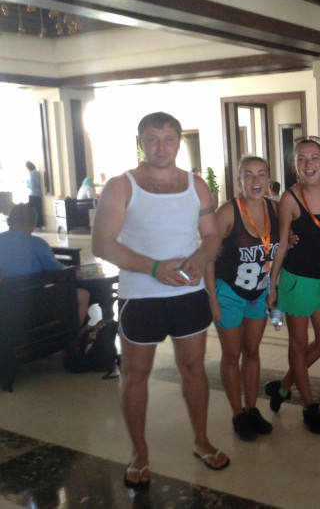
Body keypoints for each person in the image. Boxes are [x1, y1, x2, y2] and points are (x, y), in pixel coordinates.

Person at [92, 112, 229, 490]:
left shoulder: (196, 185)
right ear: (140, 142)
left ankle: (201, 441)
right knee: (135, 374)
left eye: (168, 139)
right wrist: (154, 268)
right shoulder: (122, 186)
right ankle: (139, 452)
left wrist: (200, 259)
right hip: (142, 297)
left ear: (179, 143)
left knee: (194, 369)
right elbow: (102, 244)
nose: (161, 147)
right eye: (152, 139)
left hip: (188, 295)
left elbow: (212, 236)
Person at [265, 137, 320, 434]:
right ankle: (309, 406)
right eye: (302, 159)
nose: (309, 164)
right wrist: (272, 285)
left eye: (314, 157)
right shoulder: (289, 199)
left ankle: (284, 385)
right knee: (299, 343)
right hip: (297, 279)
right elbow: (282, 244)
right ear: (295, 166)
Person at [205, 156, 278, 441]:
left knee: (252, 352)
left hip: (258, 293)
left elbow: (283, 244)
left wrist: (273, 287)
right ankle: (238, 414)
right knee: (231, 355)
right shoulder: (228, 212)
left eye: (261, 174)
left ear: (268, 179)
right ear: (239, 181)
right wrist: (212, 299)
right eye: (248, 175)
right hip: (228, 293)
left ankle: (252, 408)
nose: (255, 181)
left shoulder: (275, 210)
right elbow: (208, 256)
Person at [0, 203, 90, 325]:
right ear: (33, 223)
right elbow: (59, 271)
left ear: (9, 221)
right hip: (35, 300)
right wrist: (78, 272)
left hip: (5, 301)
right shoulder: (37, 243)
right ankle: (72, 333)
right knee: (83, 295)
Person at [25, 161, 43, 228]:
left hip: (33, 194)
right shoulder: (37, 173)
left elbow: (32, 185)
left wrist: (27, 182)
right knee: (39, 210)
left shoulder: (32, 173)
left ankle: (34, 224)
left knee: (33, 210)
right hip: (39, 194)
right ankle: (39, 224)